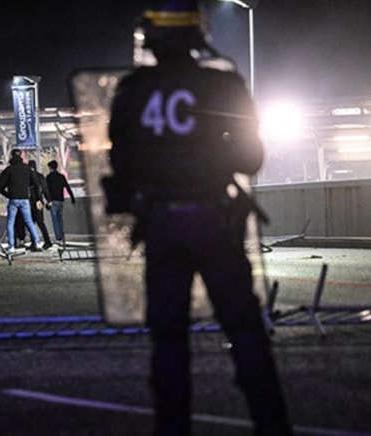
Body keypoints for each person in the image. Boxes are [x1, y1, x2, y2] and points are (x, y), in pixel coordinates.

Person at [105, 1, 292, 435]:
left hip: (162, 226)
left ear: (151, 38)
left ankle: (172, 428)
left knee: (169, 337)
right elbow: (251, 159)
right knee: (244, 329)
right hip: (215, 221)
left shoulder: (133, 90)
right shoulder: (222, 84)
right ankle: (272, 424)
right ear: (196, 35)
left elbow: (121, 165)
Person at [0, 148, 41, 253]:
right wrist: (38, 198)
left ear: (12, 156)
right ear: (21, 156)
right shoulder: (27, 169)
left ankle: (11, 246)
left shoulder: (9, 170)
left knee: (10, 223)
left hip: (13, 199)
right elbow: (36, 184)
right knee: (29, 221)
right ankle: (37, 242)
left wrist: (8, 194)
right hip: (25, 199)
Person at [45, 160, 76, 244]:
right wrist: (72, 198)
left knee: (55, 220)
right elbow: (67, 187)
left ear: (50, 168)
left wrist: (47, 200)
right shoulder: (61, 176)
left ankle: (58, 238)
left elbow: (45, 189)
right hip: (61, 200)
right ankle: (62, 236)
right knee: (60, 219)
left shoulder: (48, 177)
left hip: (52, 200)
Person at [27, 160, 53, 250]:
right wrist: (48, 200)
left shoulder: (28, 176)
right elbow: (45, 189)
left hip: (31, 201)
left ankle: (36, 242)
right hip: (39, 201)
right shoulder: (40, 176)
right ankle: (45, 241)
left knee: (32, 222)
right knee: (39, 222)